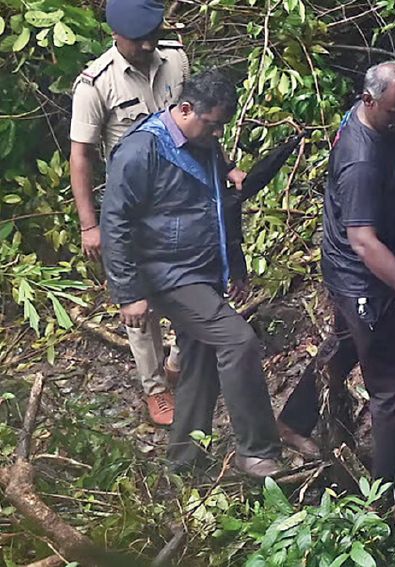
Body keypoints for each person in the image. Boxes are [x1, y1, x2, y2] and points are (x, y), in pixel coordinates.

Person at [278, 61, 395, 485]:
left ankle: (291, 423)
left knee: (346, 343)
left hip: (356, 276)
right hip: (362, 279)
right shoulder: (358, 162)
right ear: (369, 100)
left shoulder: (379, 123)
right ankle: (381, 495)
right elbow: (364, 242)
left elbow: (391, 155)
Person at [100, 69, 282, 478]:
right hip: (169, 275)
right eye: (213, 124)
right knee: (239, 342)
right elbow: (115, 222)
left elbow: (215, 195)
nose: (217, 134)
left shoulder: (202, 141)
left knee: (199, 359)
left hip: (202, 270)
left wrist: (233, 261)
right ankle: (256, 451)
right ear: (185, 109)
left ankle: (182, 464)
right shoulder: (141, 151)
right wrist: (128, 293)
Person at [70, 0, 240, 426]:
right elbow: (81, 157)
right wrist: (90, 223)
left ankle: (180, 365)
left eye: (152, 35)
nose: (147, 45)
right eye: (137, 39)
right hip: (134, 201)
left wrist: (225, 164)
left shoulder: (175, 61)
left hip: (181, 196)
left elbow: (201, 123)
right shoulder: (96, 85)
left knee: (190, 293)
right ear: (116, 36)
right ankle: (155, 389)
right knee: (139, 302)